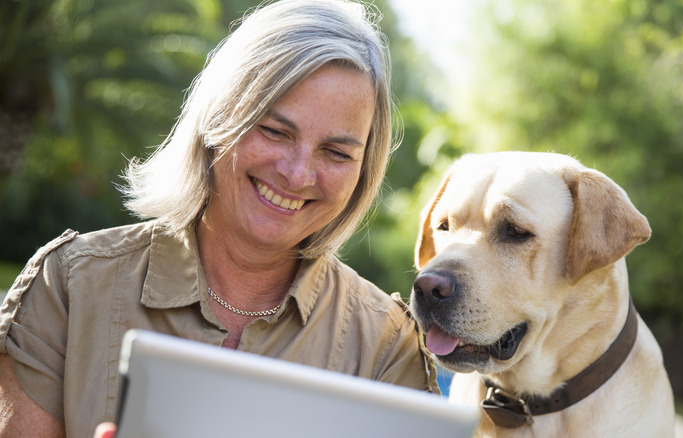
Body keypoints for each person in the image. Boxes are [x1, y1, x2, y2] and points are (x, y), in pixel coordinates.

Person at [0, 0, 439, 436]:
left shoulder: (388, 346)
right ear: (219, 116)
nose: (298, 174)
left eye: (337, 153)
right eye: (274, 131)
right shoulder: (71, 286)